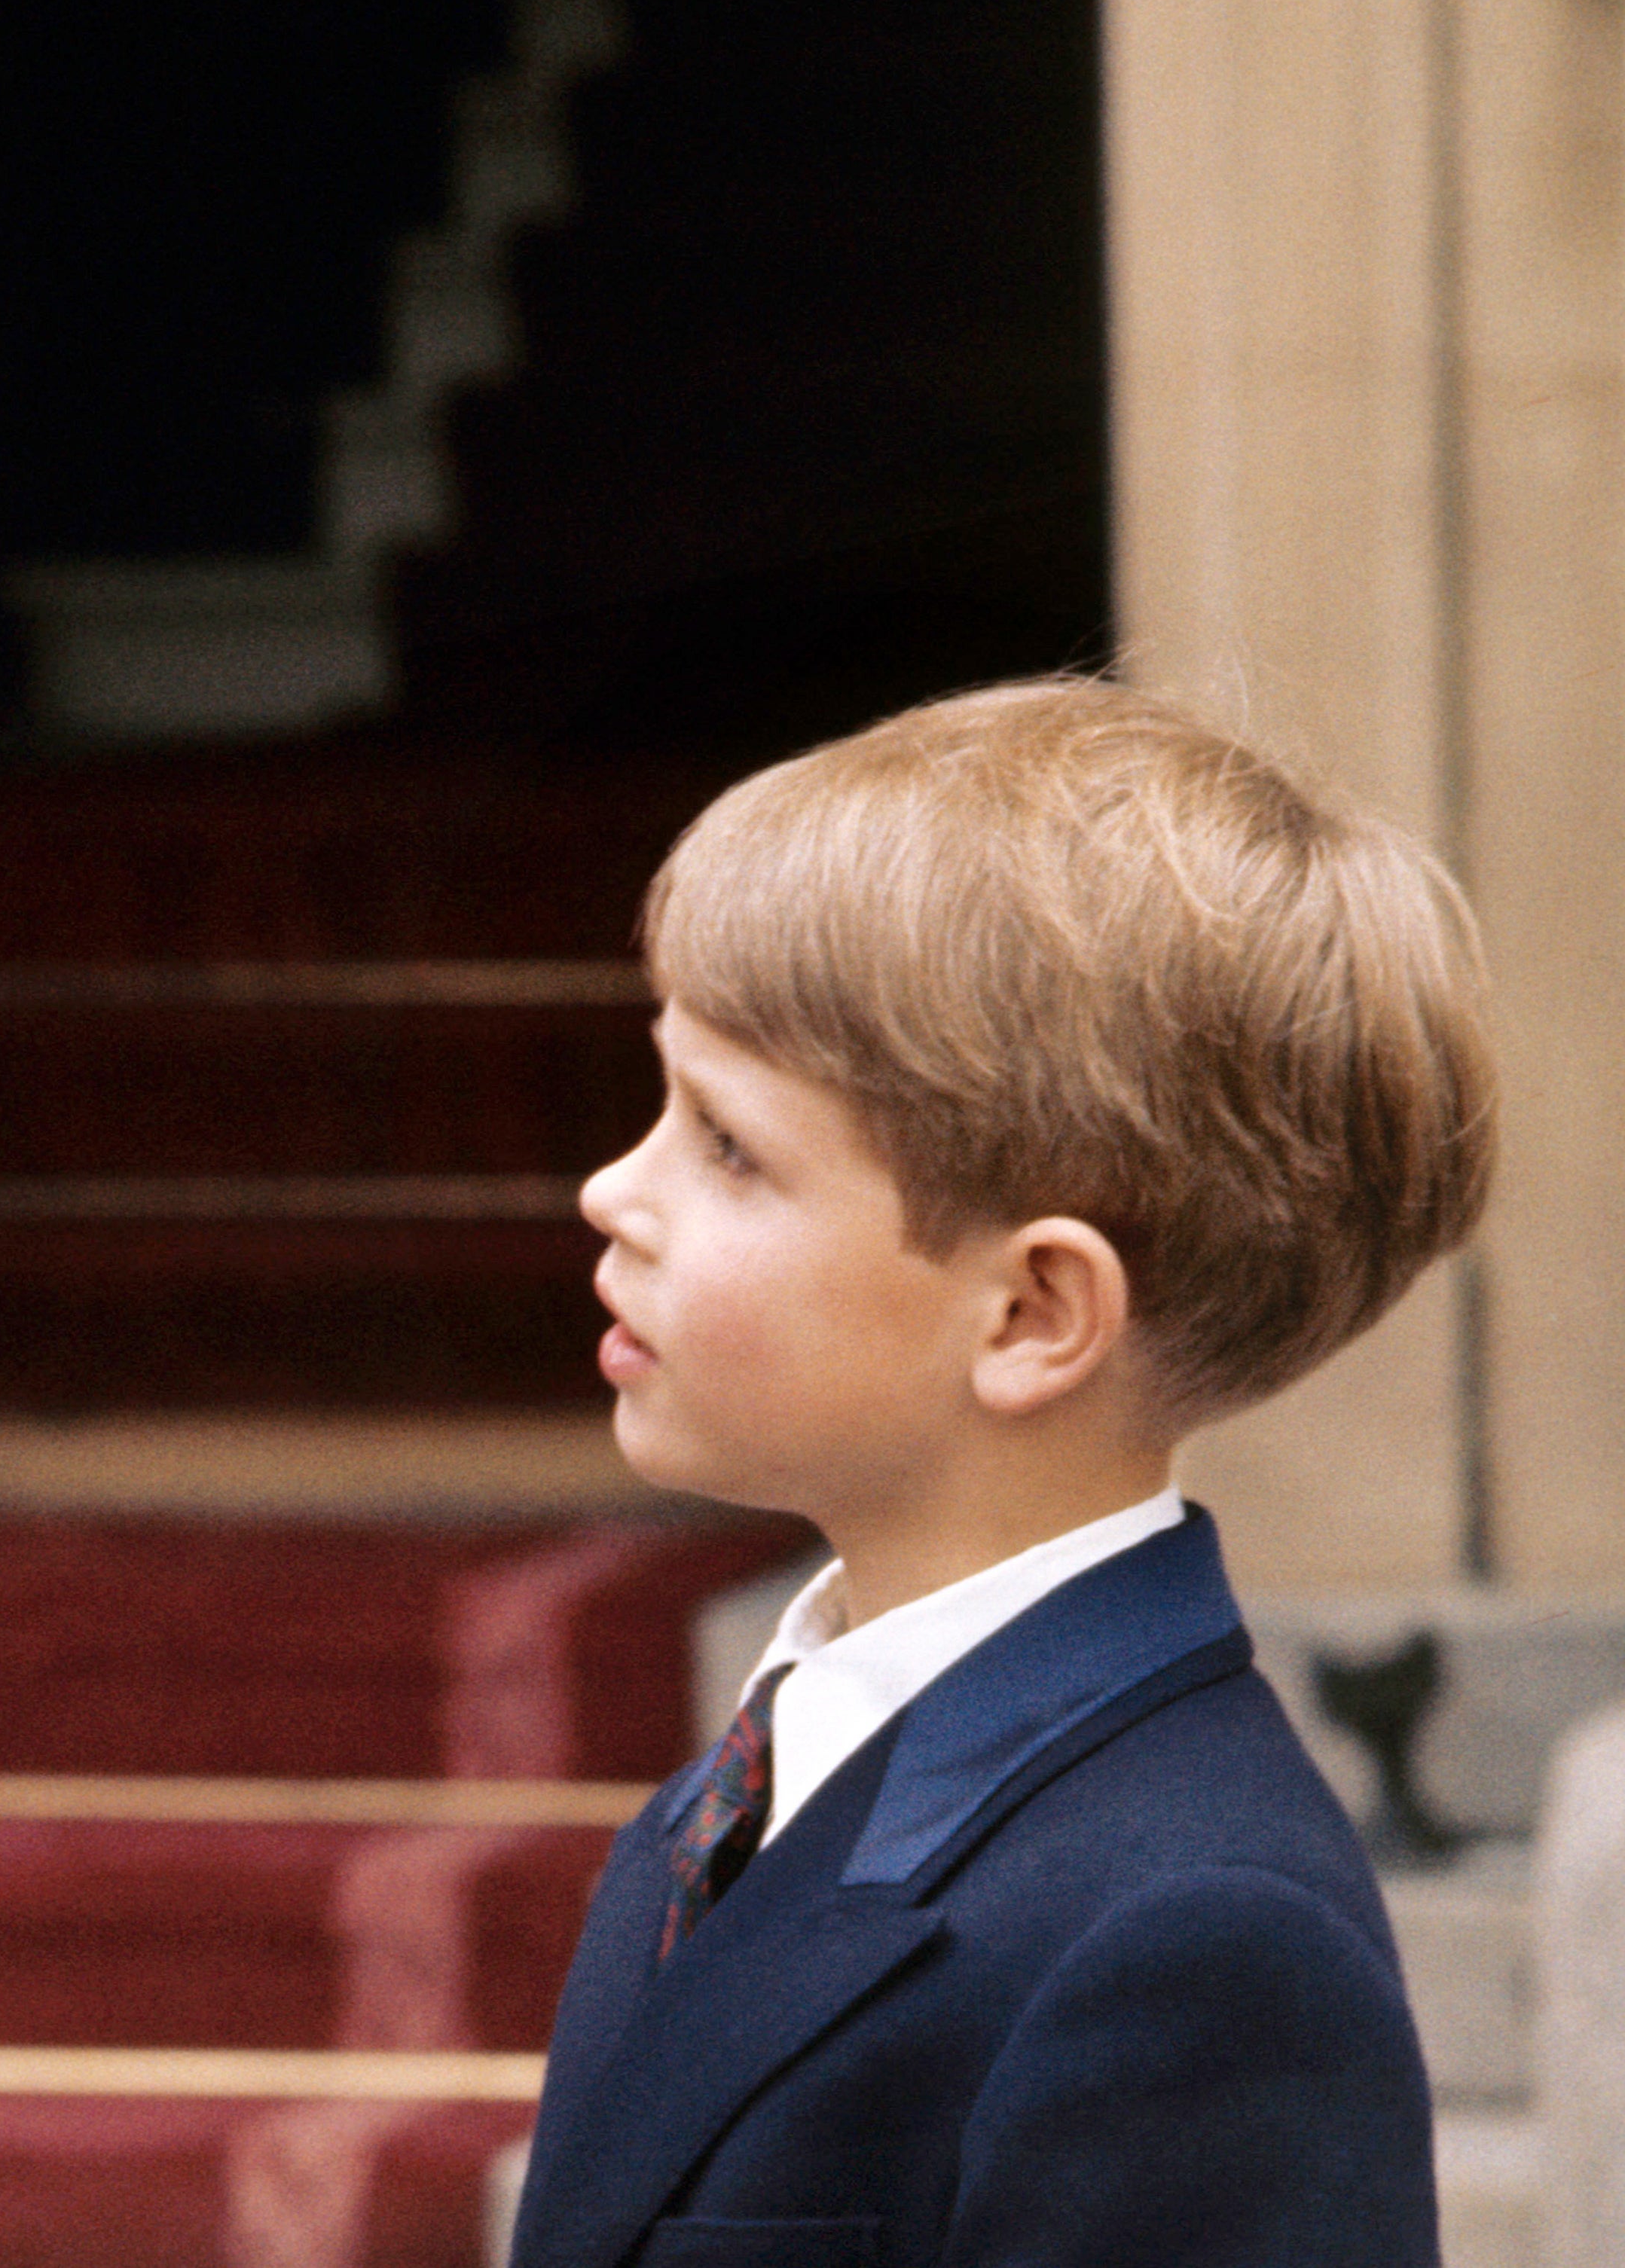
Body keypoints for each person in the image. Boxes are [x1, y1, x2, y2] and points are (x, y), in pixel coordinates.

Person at [509, 679, 1490, 2268]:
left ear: (1033, 1312)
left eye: (729, 1145)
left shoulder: (1190, 1943)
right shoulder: (749, 1794)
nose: (611, 1188)